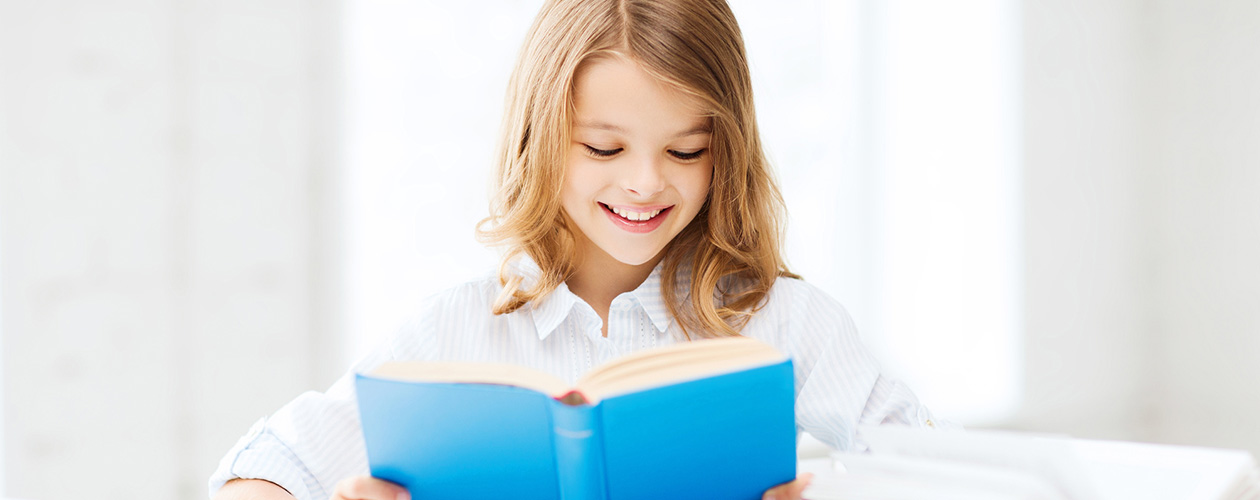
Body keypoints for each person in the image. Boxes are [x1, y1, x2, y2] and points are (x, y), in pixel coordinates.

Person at [209, 1, 942, 499]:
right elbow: (269, 465)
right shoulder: (456, 330)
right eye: (603, 147)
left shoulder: (783, 322)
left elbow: (938, 472)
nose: (647, 182)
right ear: (542, 137)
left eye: (687, 151)